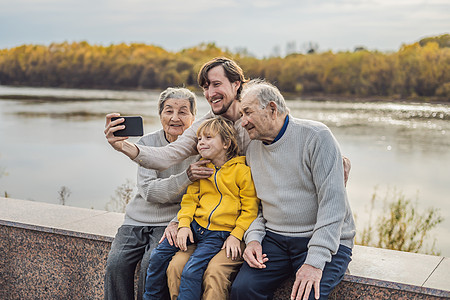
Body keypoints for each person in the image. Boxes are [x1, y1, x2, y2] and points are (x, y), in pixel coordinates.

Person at [104, 57, 351, 299]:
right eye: (205, 87)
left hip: (280, 232)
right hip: (262, 233)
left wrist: (313, 259)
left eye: (216, 84)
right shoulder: (219, 129)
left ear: (236, 85)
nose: (210, 93)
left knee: (217, 274)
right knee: (215, 281)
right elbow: (168, 156)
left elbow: (295, 146)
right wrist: (124, 148)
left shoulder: (271, 126)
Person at [230, 79, 356, 300]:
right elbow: (256, 206)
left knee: (307, 297)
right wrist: (253, 239)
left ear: (272, 109)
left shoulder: (316, 136)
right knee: (242, 290)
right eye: (241, 115)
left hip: (323, 239)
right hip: (275, 239)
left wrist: (315, 262)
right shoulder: (252, 148)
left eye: (247, 113)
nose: (243, 122)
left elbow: (333, 206)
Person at [104, 87, 206, 300]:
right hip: (137, 219)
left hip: (171, 221)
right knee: (116, 263)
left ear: (194, 117)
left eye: (183, 112)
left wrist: (180, 220)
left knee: (152, 263)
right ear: (160, 115)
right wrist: (186, 176)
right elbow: (150, 192)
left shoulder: (202, 145)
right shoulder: (147, 144)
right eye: (168, 111)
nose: (175, 118)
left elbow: (202, 194)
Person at [143, 117, 259, 300]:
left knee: (191, 270)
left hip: (218, 233)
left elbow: (250, 209)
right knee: (158, 256)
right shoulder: (202, 167)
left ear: (226, 143)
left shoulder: (241, 172)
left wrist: (236, 234)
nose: (201, 143)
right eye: (199, 139)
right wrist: (183, 225)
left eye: (208, 138)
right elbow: (189, 200)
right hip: (195, 227)